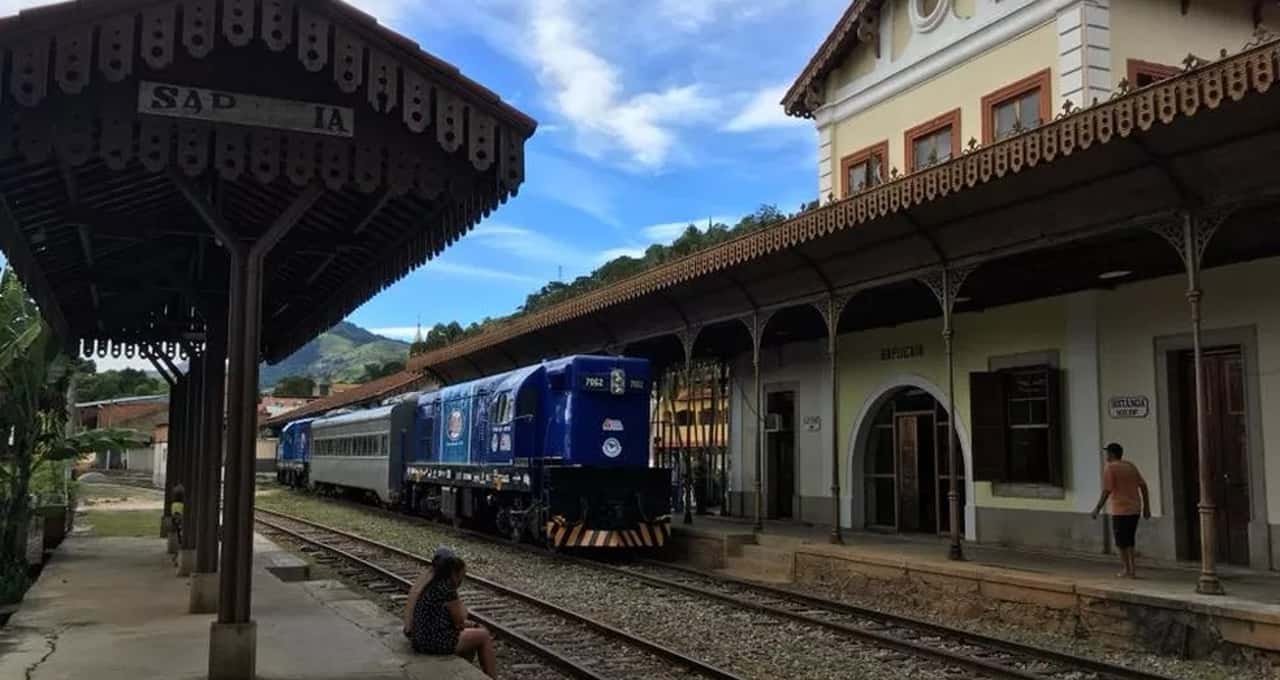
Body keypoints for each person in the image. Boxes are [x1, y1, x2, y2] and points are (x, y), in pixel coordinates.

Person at [404, 547, 496, 678]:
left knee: (472, 633)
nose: (461, 581)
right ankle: (492, 677)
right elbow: (460, 621)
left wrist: (471, 624)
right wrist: (471, 621)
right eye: (461, 576)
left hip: (419, 638)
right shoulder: (447, 589)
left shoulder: (431, 582)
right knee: (484, 635)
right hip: (431, 642)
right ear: (454, 573)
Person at [1091, 443, 1151, 578]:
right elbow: (1143, 486)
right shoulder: (1130, 466)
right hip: (1135, 509)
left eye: (1107, 453)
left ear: (1112, 454)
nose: (1106, 456)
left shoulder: (1110, 468)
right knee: (1130, 539)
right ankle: (1132, 569)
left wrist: (1097, 508)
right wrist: (1147, 507)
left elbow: (1106, 491)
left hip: (1120, 510)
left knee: (1120, 542)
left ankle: (1126, 569)